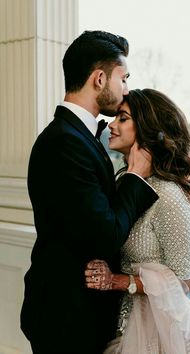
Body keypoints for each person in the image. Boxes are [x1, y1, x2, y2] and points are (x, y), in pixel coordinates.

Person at [20, 31, 158, 354]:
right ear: (99, 79)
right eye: (122, 79)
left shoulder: (73, 137)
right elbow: (106, 234)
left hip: (74, 312)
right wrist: (136, 176)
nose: (125, 90)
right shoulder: (65, 143)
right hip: (66, 317)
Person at [85, 89, 190, 353]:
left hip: (157, 332)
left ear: (147, 128)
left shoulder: (168, 194)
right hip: (121, 320)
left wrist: (119, 281)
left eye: (122, 118)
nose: (112, 124)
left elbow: (184, 281)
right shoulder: (127, 183)